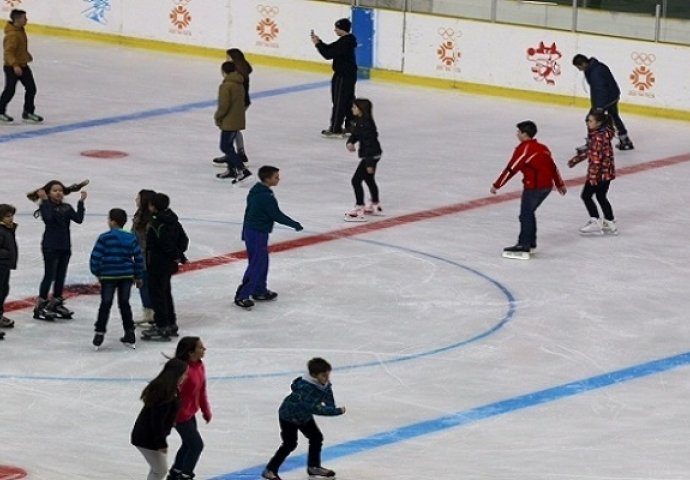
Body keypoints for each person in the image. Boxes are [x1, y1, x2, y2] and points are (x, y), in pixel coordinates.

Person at [262, 357, 346, 480]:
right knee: (289, 444)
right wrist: (336, 411)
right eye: (324, 376)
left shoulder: (323, 384)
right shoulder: (306, 389)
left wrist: (331, 407)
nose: (327, 379)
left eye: (328, 375)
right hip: (289, 416)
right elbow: (315, 408)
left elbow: (328, 396)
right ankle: (270, 470)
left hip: (303, 416)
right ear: (314, 375)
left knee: (316, 438)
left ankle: (314, 467)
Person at [490, 121, 567, 255]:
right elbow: (552, 167)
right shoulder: (543, 147)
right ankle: (530, 241)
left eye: (518, 132)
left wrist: (497, 185)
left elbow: (511, 169)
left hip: (534, 187)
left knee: (526, 214)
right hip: (546, 186)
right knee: (528, 213)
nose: (517, 134)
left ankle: (524, 244)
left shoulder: (524, 149)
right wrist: (559, 184)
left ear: (524, 134)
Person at [235, 166, 303, 309]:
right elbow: (276, 215)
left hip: (253, 231)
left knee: (262, 262)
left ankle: (259, 290)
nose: (278, 179)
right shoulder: (265, 196)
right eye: (276, 177)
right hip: (256, 233)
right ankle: (242, 295)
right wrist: (294, 224)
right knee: (256, 264)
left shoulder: (257, 190)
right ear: (267, 179)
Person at [89, 208, 145, 350]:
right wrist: (138, 276)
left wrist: (97, 273)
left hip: (108, 275)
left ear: (112, 221)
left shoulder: (104, 237)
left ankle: (99, 333)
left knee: (106, 303)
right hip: (126, 275)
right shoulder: (131, 237)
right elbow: (138, 258)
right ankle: (130, 332)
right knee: (124, 303)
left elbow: (95, 257)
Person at [33, 180, 86, 320]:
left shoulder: (67, 207)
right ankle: (41, 305)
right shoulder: (46, 206)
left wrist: (81, 203)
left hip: (65, 246)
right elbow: (49, 219)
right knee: (49, 275)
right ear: (48, 193)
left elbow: (79, 219)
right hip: (50, 246)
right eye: (55, 190)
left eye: (60, 190)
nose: (59, 193)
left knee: (61, 275)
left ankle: (56, 302)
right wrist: (44, 201)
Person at [141, 193, 189, 341]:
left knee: (158, 295)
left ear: (154, 207)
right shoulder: (173, 221)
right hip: (168, 265)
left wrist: (178, 256)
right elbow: (184, 240)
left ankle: (162, 326)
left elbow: (165, 244)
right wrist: (179, 254)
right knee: (166, 293)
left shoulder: (158, 224)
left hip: (158, 265)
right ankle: (171, 323)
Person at [131, 358, 188, 480]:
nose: (186, 376)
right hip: (146, 438)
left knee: (157, 469)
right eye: (184, 374)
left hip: (148, 436)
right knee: (160, 470)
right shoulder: (165, 393)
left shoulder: (169, 388)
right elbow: (156, 422)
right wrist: (161, 443)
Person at [567, 109, 618, 236]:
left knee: (586, 196)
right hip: (608, 172)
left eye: (590, 121)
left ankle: (595, 220)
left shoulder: (598, 138)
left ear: (599, 123)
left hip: (599, 173)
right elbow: (591, 151)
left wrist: (593, 177)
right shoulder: (604, 133)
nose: (587, 123)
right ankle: (609, 221)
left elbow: (595, 159)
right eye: (587, 120)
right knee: (601, 196)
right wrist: (576, 160)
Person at [168, 337, 211, 480]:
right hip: (179, 415)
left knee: (188, 444)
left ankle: (175, 473)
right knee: (196, 446)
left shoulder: (199, 365)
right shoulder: (181, 370)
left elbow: (202, 389)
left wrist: (206, 410)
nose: (204, 349)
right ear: (190, 352)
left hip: (190, 413)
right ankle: (185, 476)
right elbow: (168, 393)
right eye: (200, 347)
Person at [572, 54, 634, 150]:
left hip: (606, 99)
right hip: (611, 96)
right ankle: (624, 139)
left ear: (583, 64)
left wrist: (599, 107)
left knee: (591, 119)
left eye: (578, 67)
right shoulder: (594, 67)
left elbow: (600, 89)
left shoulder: (595, 72)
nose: (579, 69)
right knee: (613, 116)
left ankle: (592, 142)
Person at [311, 18, 358, 138]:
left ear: (342, 29)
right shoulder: (345, 40)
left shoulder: (345, 42)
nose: (335, 30)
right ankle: (351, 125)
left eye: (337, 28)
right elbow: (329, 49)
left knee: (339, 101)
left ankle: (335, 128)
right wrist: (319, 42)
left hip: (343, 75)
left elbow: (328, 54)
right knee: (347, 101)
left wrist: (317, 44)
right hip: (347, 75)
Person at [344, 98, 384, 222]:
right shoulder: (361, 121)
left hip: (371, 155)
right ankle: (375, 205)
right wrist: (350, 142)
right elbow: (356, 134)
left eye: (354, 107)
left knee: (356, 180)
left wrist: (369, 163)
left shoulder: (366, 125)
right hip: (374, 154)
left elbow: (369, 144)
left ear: (361, 110)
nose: (352, 109)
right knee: (368, 179)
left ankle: (359, 209)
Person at [0, 9, 42, 123]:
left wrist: (26, 55)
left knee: (31, 88)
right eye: (24, 18)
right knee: (9, 90)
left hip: (22, 65)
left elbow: (19, 48)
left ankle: (28, 112)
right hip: (12, 67)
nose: (26, 20)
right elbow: (8, 52)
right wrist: (15, 65)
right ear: (17, 19)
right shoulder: (12, 35)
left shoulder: (20, 30)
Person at [213, 48, 253, 167]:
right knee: (234, 128)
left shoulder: (238, 72)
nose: (226, 59)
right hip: (241, 101)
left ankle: (237, 154)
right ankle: (234, 153)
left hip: (239, 102)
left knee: (232, 127)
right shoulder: (240, 70)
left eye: (228, 57)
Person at [132, 189, 156, 326]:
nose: (135, 200)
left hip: (147, 258)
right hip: (140, 256)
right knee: (143, 285)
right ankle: (149, 312)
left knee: (145, 285)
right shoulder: (139, 215)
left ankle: (152, 313)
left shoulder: (150, 221)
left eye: (138, 198)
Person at [0, 204, 18, 337]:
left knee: (3, 290)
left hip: (5, 265)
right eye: (7, 216)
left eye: (11, 215)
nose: (11, 218)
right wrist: (5, 254)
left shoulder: (8, 229)